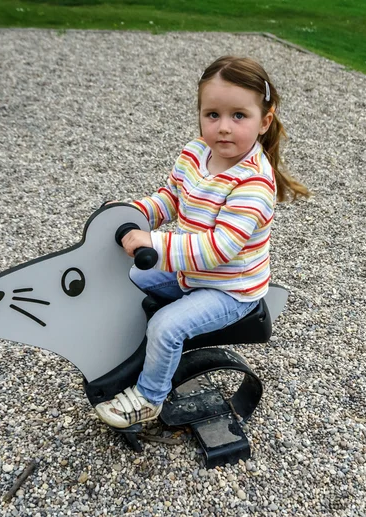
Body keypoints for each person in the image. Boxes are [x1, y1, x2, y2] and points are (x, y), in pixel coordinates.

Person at [95, 55, 310, 429]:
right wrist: (133, 213)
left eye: (238, 116)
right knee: (130, 279)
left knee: (167, 325)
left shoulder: (254, 184)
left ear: (265, 121)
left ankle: (149, 397)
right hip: (188, 272)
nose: (223, 128)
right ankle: (130, 352)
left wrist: (155, 243)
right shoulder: (196, 153)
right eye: (213, 115)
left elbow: (218, 249)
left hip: (230, 288)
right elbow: (170, 198)